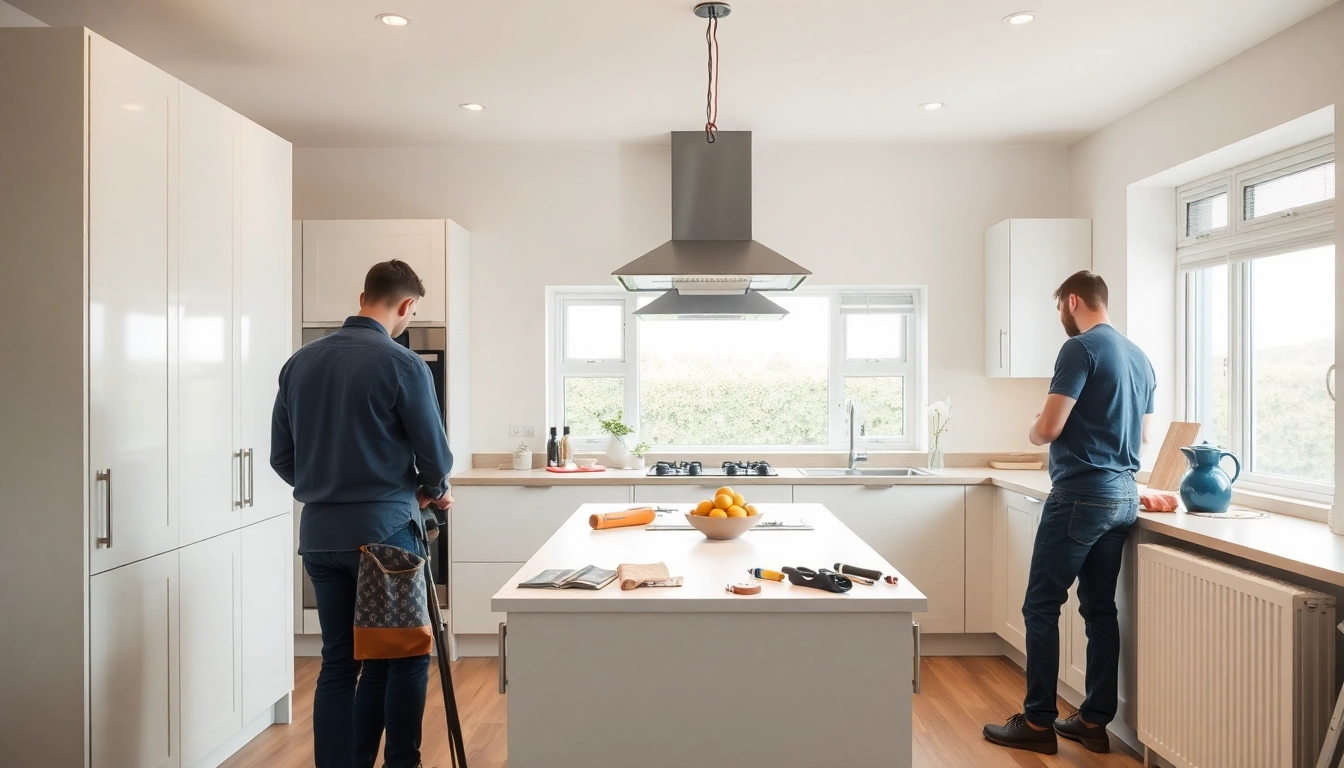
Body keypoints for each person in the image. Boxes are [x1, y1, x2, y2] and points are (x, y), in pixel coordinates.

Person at [271, 259, 454, 768]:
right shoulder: (403, 363)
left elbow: (282, 460)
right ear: (405, 305)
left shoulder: (299, 363)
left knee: (339, 663)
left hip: (321, 537)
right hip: (386, 537)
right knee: (403, 656)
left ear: (362, 296)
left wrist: (327, 488)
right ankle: (401, 763)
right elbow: (435, 459)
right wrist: (431, 491)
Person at [983, 271, 1154, 755]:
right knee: (1100, 608)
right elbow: (1142, 438)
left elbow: (1050, 427)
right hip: (1123, 496)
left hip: (1081, 494)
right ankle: (1093, 722)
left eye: (1059, 305)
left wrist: (1034, 428)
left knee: (1040, 606)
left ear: (1072, 300)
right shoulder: (1139, 356)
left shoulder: (1080, 348)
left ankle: (1037, 723)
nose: (1061, 314)